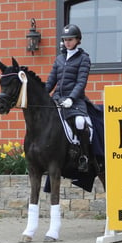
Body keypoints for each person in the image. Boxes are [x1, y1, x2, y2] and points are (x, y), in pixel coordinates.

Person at [45, 24, 91, 173]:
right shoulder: (59, 59)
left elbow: (81, 82)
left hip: (75, 100)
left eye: (70, 39)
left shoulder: (84, 58)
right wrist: (42, 95)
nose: (67, 42)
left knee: (79, 122)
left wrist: (71, 98)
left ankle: (84, 156)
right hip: (57, 98)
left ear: (78, 40)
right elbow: (51, 81)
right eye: (65, 40)